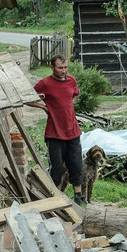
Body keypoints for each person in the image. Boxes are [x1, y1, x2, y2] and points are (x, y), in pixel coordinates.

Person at [33, 55, 86, 206]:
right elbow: (27, 97)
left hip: (73, 130)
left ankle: (78, 196)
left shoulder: (71, 81)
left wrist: (69, 104)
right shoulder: (45, 84)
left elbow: (75, 94)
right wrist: (44, 107)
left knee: (76, 164)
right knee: (57, 167)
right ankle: (56, 198)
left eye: (65, 68)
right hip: (55, 133)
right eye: (60, 68)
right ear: (52, 68)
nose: (63, 71)